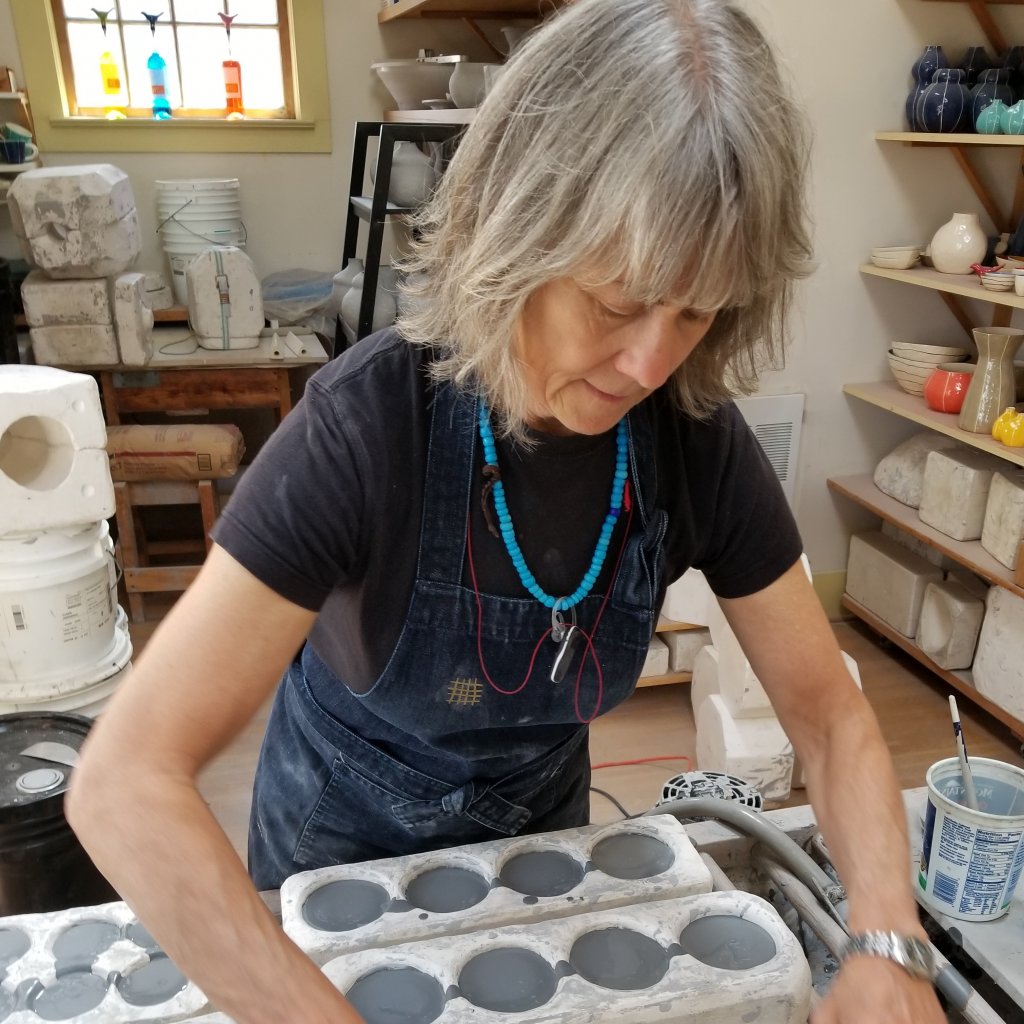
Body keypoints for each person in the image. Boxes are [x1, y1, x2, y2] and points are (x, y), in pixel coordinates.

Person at [68, 1, 945, 1022]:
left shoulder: (688, 436)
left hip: (541, 854)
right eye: (618, 302)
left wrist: (887, 936)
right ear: (519, 231)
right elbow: (124, 781)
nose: (651, 361)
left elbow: (832, 719)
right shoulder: (366, 431)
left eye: (698, 310)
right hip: (337, 861)